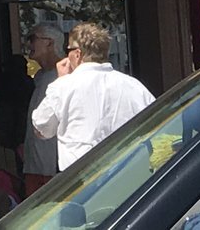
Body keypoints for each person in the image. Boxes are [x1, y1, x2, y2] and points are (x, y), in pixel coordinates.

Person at [29, 22, 155, 171]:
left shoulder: (64, 86)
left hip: (83, 181)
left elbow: (41, 128)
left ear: (77, 54)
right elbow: (156, 126)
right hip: (130, 174)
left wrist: (61, 80)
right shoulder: (135, 86)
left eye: (67, 49)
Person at [19, 21, 66, 193]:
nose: (29, 44)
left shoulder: (65, 75)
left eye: (33, 38)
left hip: (53, 168)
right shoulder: (41, 76)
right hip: (35, 165)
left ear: (49, 42)